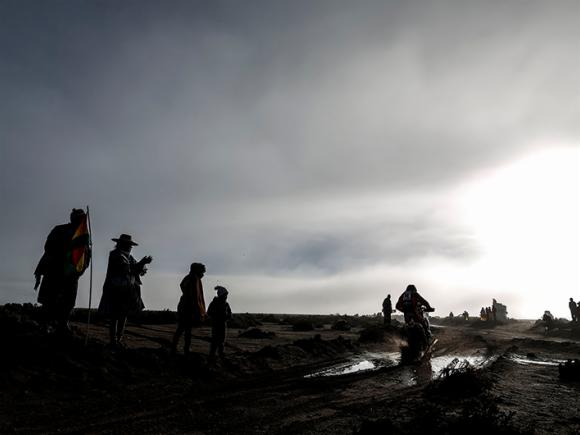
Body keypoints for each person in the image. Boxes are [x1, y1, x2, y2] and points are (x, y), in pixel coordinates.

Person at [34, 208, 91, 335]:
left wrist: (80, 270)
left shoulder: (83, 236)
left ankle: (63, 323)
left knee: (69, 301)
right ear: (72, 218)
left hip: (72, 274)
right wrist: (65, 252)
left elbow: (86, 255)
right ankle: (45, 324)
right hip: (55, 270)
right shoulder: (59, 229)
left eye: (80, 218)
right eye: (76, 217)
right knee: (49, 299)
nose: (79, 220)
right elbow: (48, 247)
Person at [98, 234, 152, 348]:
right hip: (115, 290)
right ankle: (113, 341)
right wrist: (142, 263)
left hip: (127, 290)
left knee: (123, 315)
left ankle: (119, 339)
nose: (130, 247)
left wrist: (142, 265)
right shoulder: (115, 255)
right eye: (129, 245)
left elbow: (140, 270)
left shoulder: (129, 257)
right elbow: (126, 269)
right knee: (114, 316)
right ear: (122, 244)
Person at [172, 263, 207, 355]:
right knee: (185, 329)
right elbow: (194, 297)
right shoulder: (193, 279)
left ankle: (179, 347)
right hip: (188, 308)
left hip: (186, 306)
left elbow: (182, 286)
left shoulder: (191, 278)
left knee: (184, 329)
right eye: (202, 272)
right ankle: (183, 348)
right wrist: (196, 310)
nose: (203, 274)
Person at [207, 285, 232, 359]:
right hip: (216, 324)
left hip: (222, 324)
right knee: (215, 341)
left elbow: (230, 314)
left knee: (221, 341)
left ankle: (220, 354)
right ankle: (212, 355)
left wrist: (227, 317)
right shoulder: (214, 303)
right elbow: (209, 312)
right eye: (225, 295)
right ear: (222, 295)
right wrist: (217, 317)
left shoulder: (226, 304)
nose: (226, 296)